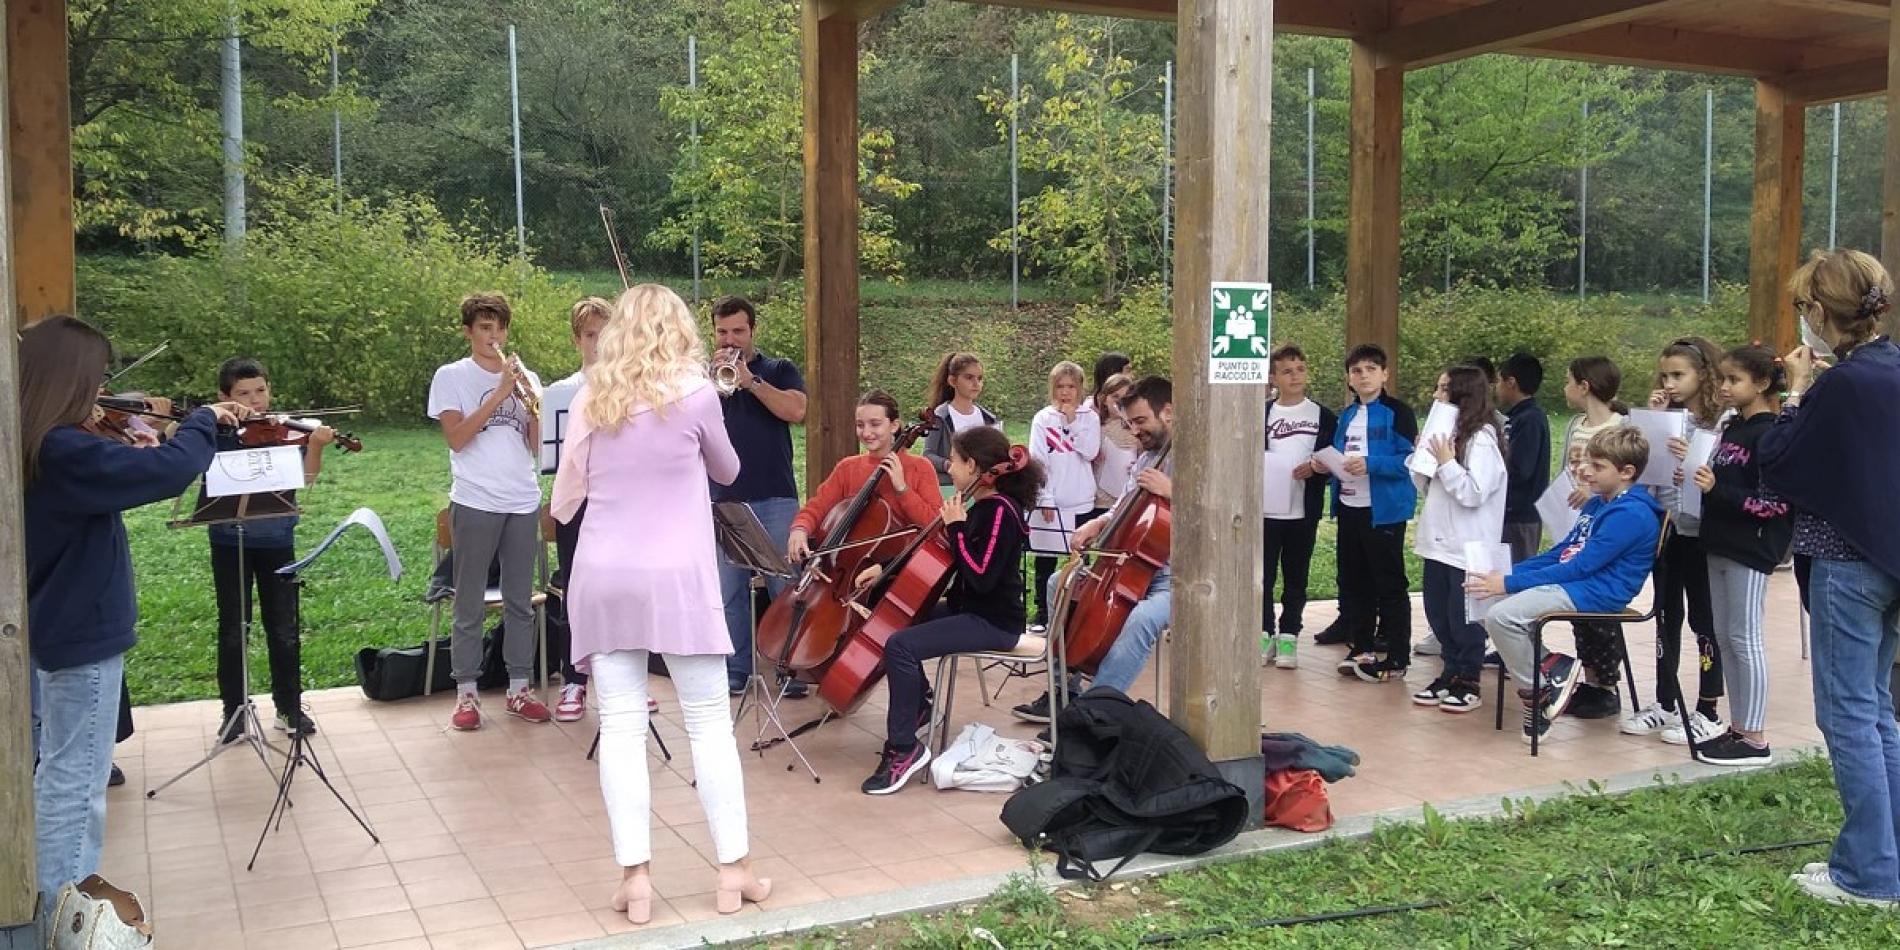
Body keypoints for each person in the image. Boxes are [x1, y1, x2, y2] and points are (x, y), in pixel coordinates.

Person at [16, 316, 243, 943]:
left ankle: (69, 890)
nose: (102, 395)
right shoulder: (62, 450)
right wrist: (201, 422)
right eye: (93, 382)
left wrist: (153, 429)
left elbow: (127, 464)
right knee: (75, 777)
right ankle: (58, 911)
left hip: (57, 623)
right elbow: (166, 472)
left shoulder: (44, 442)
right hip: (78, 630)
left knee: (63, 768)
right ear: (68, 381)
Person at [551, 283, 768, 923]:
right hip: (676, 574)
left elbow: (570, 490)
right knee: (705, 721)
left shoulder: (595, 395)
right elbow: (726, 470)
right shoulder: (699, 393)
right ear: (680, 332)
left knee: (618, 724)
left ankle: (635, 879)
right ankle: (733, 870)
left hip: (604, 570)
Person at [1758, 248, 1900, 908]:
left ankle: (1867, 876)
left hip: (1847, 564)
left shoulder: (1840, 385)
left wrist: (1795, 391)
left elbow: (1780, 462)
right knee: (1878, 714)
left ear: (1821, 311)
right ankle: (1882, 858)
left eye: (1804, 306)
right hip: (1889, 560)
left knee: (1847, 717)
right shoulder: (1891, 369)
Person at [856, 426, 1046, 795]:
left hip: (992, 623)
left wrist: (958, 529)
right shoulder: (980, 507)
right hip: (968, 611)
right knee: (895, 621)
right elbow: (936, 545)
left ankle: (904, 750)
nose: (950, 469)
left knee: (901, 646)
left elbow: (981, 578)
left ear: (974, 466)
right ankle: (919, 707)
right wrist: (885, 568)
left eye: (955, 462)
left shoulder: (1001, 514)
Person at [1468, 426, 1664, 745]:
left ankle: (1549, 675)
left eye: (1598, 466)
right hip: (1578, 584)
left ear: (1627, 472)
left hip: (1597, 593)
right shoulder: (1599, 503)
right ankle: (1546, 687)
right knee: (1484, 604)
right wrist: (1507, 574)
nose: (1587, 472)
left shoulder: (1632, 514)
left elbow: (1581, 566)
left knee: (1502, 617)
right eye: (1588, 463)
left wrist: (1508, 582)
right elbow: (1563, 553)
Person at [1016, 377, 1175, 726]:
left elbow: (1223, 515)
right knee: (1060, 582)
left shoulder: (1198, 457)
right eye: (1129, 423)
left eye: (1141, 421)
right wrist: (1096, 524)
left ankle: (1092, 714)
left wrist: (1174, 491)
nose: (1135, 431)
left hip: (1177, 578)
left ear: (1168, 411)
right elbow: (1124, 506)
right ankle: (1062, 692)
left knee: (1142, 619)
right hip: (1132, 565)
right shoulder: (1149, 455)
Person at [428, 291, 549, 730]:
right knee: (470, 602)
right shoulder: (451, 376)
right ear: (468, 331)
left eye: (499, 328)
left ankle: (520, 688)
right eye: (484, 328)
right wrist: (499, 395)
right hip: (476, 499)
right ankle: (467, 695)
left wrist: (532, 405)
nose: (492, 336)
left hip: (522, 499)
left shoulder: (526, 377)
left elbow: (537, 447)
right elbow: (457, 438)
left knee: (520, 600)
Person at [209, 357, 336, 741]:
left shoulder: (284, 429)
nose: (255, 400)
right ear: (225, 397)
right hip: (228, 539)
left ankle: (289, 706)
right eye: (244, 394)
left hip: (278, 539)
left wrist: (315, 444)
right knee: (233, 627)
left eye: (260, 391)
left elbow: (308, 475)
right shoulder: (216, 429)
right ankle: (233, 712)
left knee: (284, 627)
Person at [1691, 344, 1792, 767]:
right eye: (1725, 379)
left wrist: (1718, 490)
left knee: (1745, 637)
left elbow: (1776, 503)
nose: (1726, 387)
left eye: (1735, 380)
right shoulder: (1731, 429)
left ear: (1763, 383)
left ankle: (1755, 736)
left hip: (1751, 548)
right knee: (1726, 637)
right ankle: (1737, 727)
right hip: (1719, 541)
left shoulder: (1772, 435)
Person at [709, 295, 809, 696]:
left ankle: (792, 667)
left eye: (738, 331)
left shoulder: (778, 369)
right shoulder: (705, 377)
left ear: (752, 331)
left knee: (786, 587)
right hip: (724, 499)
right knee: (727, 590)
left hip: (775, 496)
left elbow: (797, 410)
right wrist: (713, 385)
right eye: (722, 331)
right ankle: (736, 669)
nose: (730, 339)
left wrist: (750, 381)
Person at [1633, 336, 1728, 747]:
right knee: (1665, 614)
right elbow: (1643, 471)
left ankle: (1708, 707)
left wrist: (1692, 458)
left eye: (1679, 375)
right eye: (1665, 375)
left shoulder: (1721, 421)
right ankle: (1664, 701)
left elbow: (1719, 472)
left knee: (1704, 620)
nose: (1669, 383)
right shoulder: (1666, 415)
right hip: (1667, 529)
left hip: (1702, 533)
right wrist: (1653, 424)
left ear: (1703, 374)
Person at [1407, 365, 1507, 710]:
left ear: (1462, 395)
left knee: (1465, 619)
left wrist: (1447, 462)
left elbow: (1473, 493)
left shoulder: (1482, 440)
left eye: (1443, 389)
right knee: (1439, 614)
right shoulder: (1449, 434)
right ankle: (1449, 672)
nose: (1436, 396)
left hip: (1468, 547)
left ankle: (1469, 679)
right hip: (1438, 542)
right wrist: (1423, 457)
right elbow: (1426, 487)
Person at [539, 297, 610, 722]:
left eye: (605, 335)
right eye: (589, 336)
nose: (598, 344)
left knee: (622, 590)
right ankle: (574, 680)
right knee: (575, 589)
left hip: (620, 504)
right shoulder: (563, 393)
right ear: (577, 340)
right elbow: (553, 457)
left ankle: (627, 683)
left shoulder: (635, 389)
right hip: (578, 502)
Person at [1331, 344, 1419, 681]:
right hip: (1350, 507)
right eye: (1356, 371)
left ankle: (1397, 655)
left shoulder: (1399, 412)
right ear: (1349, 379)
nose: (1363, 376)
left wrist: (1371, 464)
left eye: (1370, 369)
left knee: (1390, 583)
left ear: (1385, 374)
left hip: (1384, 511)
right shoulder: (1347, 415)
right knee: (1355, 582)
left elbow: (1411, 460)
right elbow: (1338, 454)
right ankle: (1362, 647)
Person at [1558, 356, 1634, 720]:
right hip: (1574, 522)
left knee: (1600, 613)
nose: (1564, 388)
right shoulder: (1575, 425)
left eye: (1568, 381)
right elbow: (1566, 470)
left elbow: (1628, 481)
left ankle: (1606, 684)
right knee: (1578, 610)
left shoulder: (1622, 426)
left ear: (1584, 385)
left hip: (1606, 527)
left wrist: (1595, 494)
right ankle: (1588, 681)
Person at [785, 390, 943, 563]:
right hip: (850, 566)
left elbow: (935, 526)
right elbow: (817, 506)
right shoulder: (847, 468)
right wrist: (800, 529)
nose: (866, 433)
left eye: (875, 424)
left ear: (894, 425)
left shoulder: (920, 467)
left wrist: (903, 489)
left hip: (900, 571)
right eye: (860, 425)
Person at [1262, 346, 1336, 670]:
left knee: (1296, 575)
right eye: (1287, 371)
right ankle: (1263, 632)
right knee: (1262, 575)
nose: (1295, 376)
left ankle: (1290, 632)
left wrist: (1317, 466)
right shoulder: (1262, 413)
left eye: (1300, 369)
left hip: (1303, 508)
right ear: (1273, 377)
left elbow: (1335, 456)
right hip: (1266, 508)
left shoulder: (1322, 415)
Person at [1028, 361, 1100, 632]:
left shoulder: (1089, 417)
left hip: (1082, 498)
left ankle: (1078, 613)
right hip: (1053, 501)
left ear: (1080, 388)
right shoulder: (1043, 418)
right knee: (1045, 557)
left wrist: (1072, 424)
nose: (1066, 392)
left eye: (1071, 386)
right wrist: (1044, 497)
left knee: (1080, 558)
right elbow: (1038, 459)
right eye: (1060, 386)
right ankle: (1043, 615)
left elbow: (1090, 451)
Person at [1498, 353, 1550, 563]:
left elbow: (1521, 468)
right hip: (1509, 513)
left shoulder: (1530, 419)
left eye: (1499, 381)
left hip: (1520, 515)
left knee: (1515, 574)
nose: (1497, 387)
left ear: (1511, 382)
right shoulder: (1515, 417)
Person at [921, 352, 998, 487]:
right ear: (952, 381)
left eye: (979, 378)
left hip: (983, 488)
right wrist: (951, 466)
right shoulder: (940, 416)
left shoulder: (988, 419)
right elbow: (928, 455)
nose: (976, 383)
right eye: (969, 378)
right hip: (950, 487)